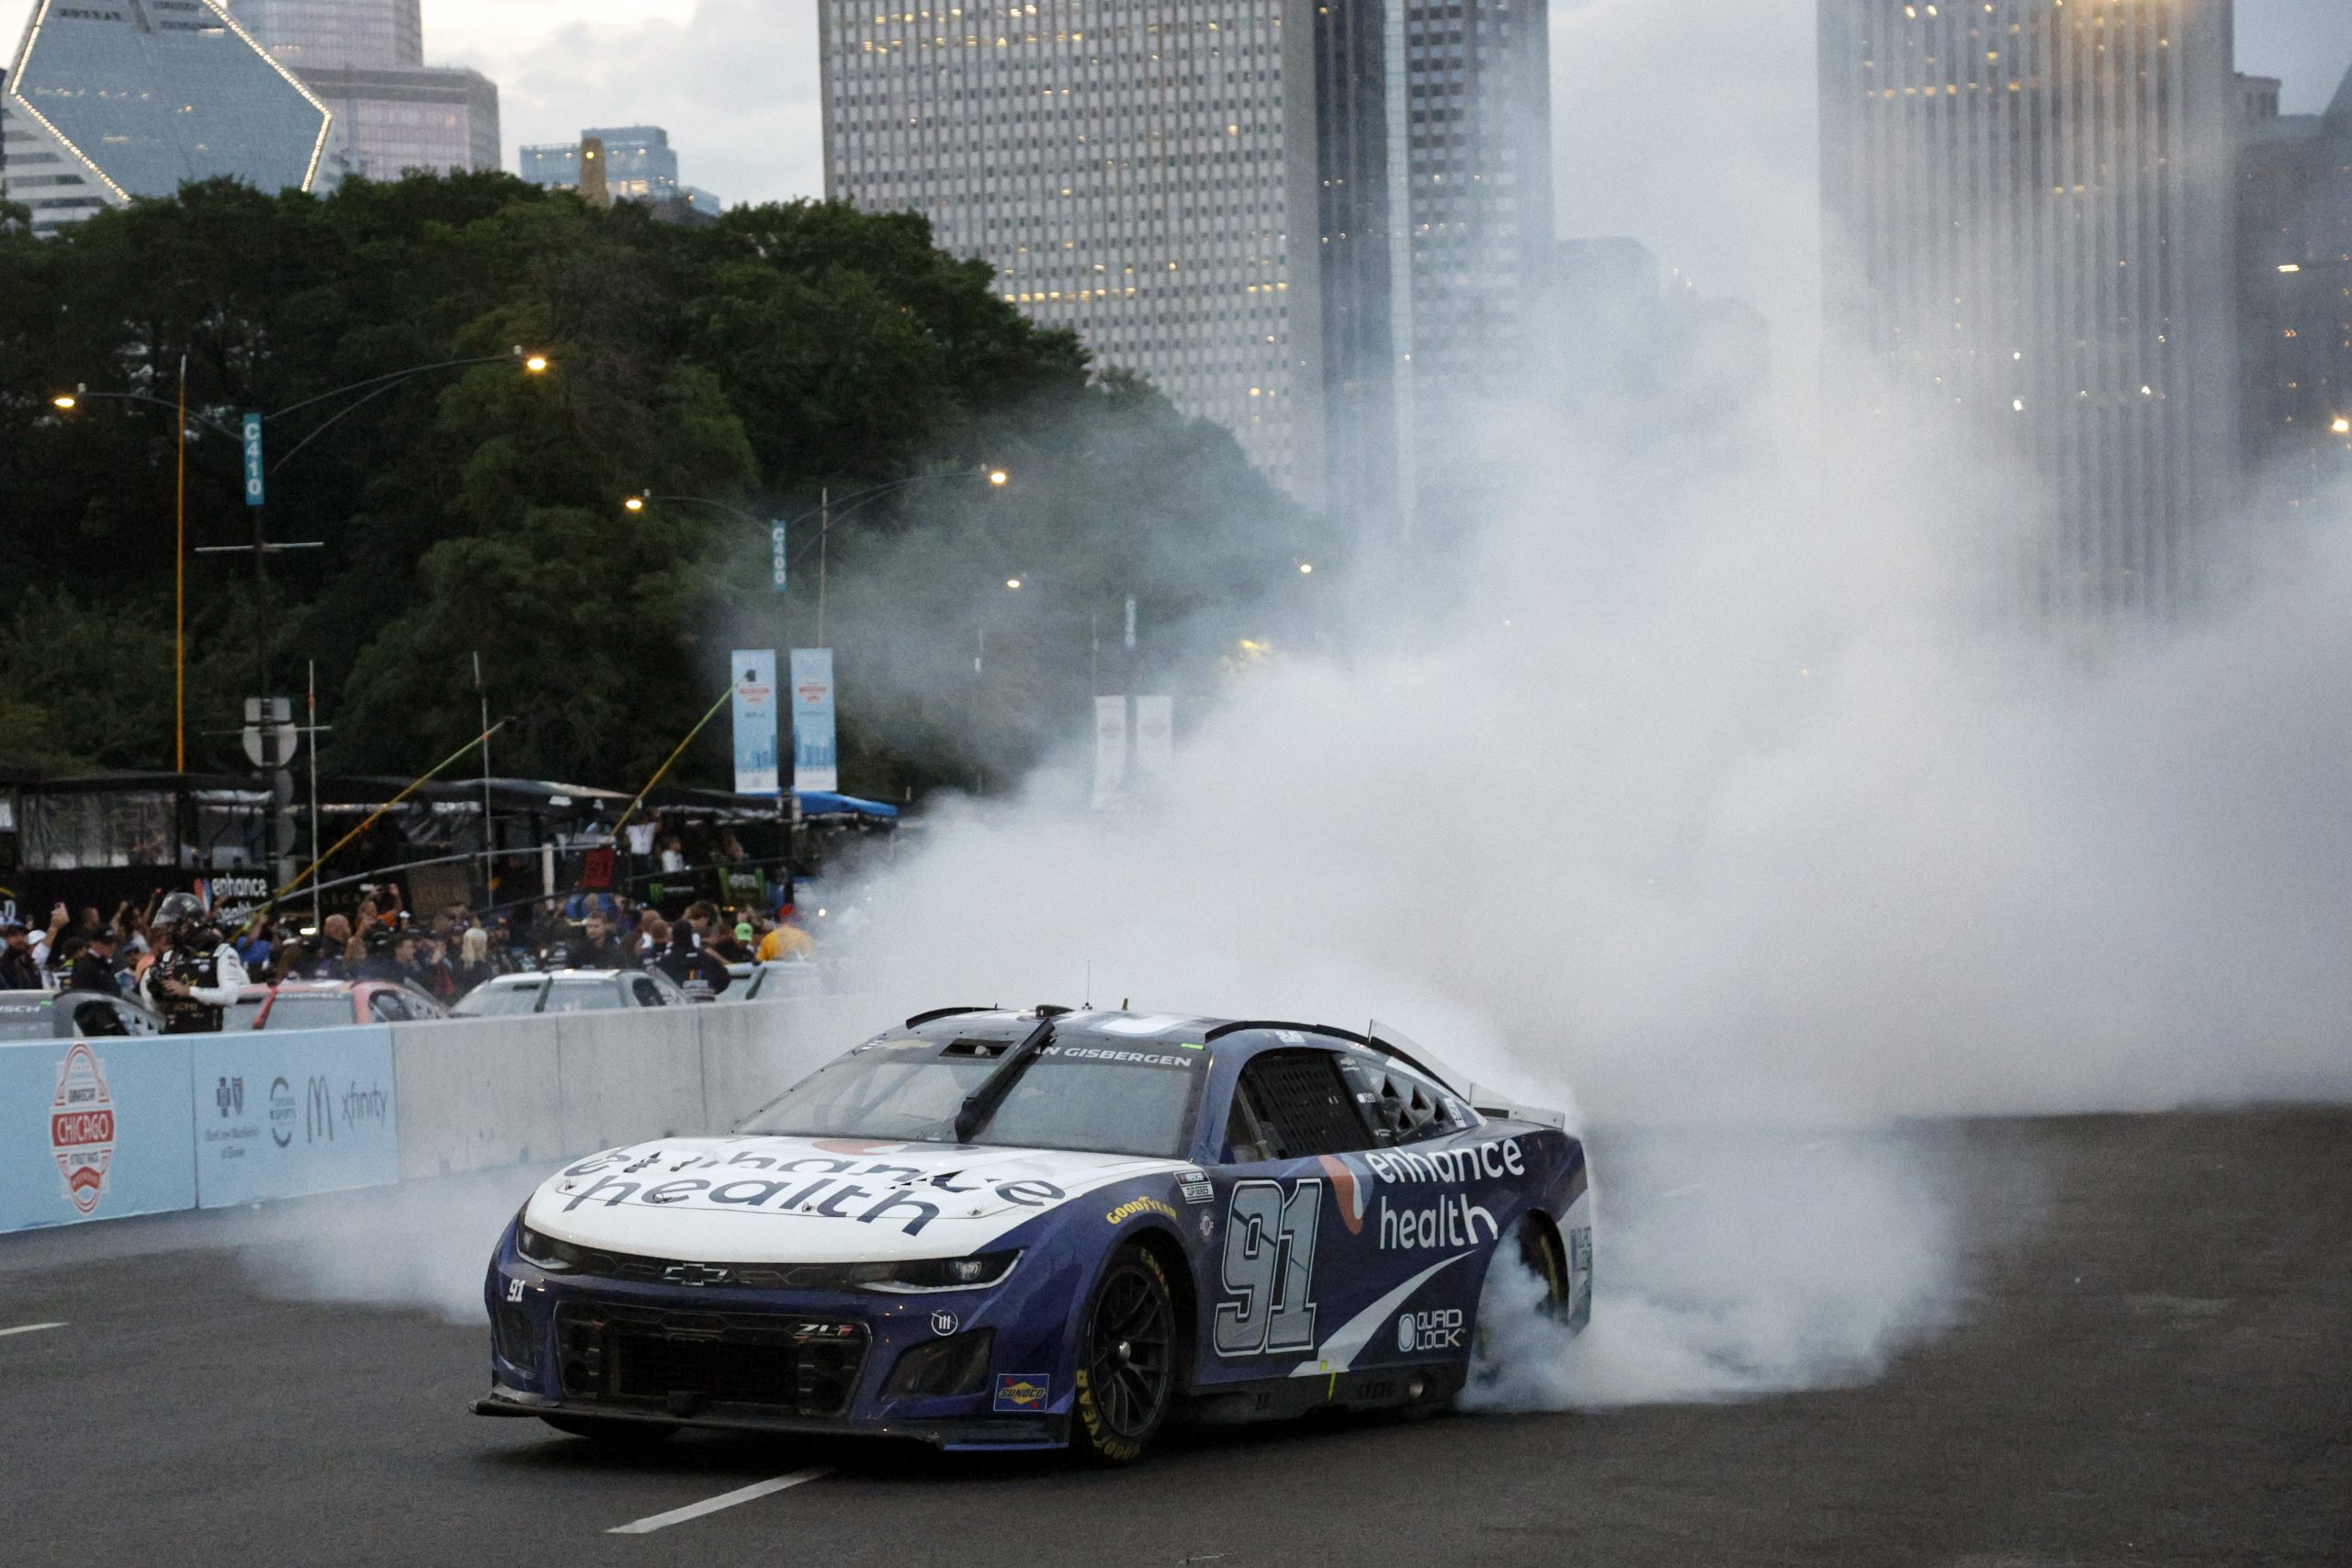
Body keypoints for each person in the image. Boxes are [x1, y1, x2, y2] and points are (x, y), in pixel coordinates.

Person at [139, 892, 249, 1033]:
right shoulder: (169, 957)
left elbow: (229, 996)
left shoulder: (221, 953)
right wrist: (156, 992)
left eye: (173, 926)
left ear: (189, 924)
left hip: (208, 1036)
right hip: (172, 1037)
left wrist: (189, 991)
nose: (170, 932)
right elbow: (154, 1008)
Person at [65, 928, 120, 995]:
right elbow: (81, 995)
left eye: (113, 943)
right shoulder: (85, 966)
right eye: (106, 943)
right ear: (94, 943)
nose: (111, 947)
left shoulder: (106, 963)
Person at [449, 927, 499, 996]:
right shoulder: (461, 964)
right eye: (484, 943)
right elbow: (460, 989)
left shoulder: (484, 961)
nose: (486, 946)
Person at [0, 924, 42, 990]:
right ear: (6, 939)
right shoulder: (2, 966)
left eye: (24, 935)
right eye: (14, 935)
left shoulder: (33, 965)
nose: (20, 939)